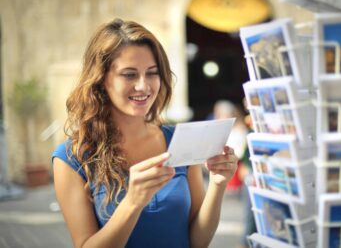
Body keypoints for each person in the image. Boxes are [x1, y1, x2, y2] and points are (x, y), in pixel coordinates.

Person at [52, 18, 238, 248]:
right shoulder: (71, 158)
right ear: (101, 79)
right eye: (129, 74)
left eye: (152, 73)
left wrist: (218, 185)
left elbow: (196, 242)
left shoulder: (177, 140)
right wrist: (132, 203)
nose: (144, 86)